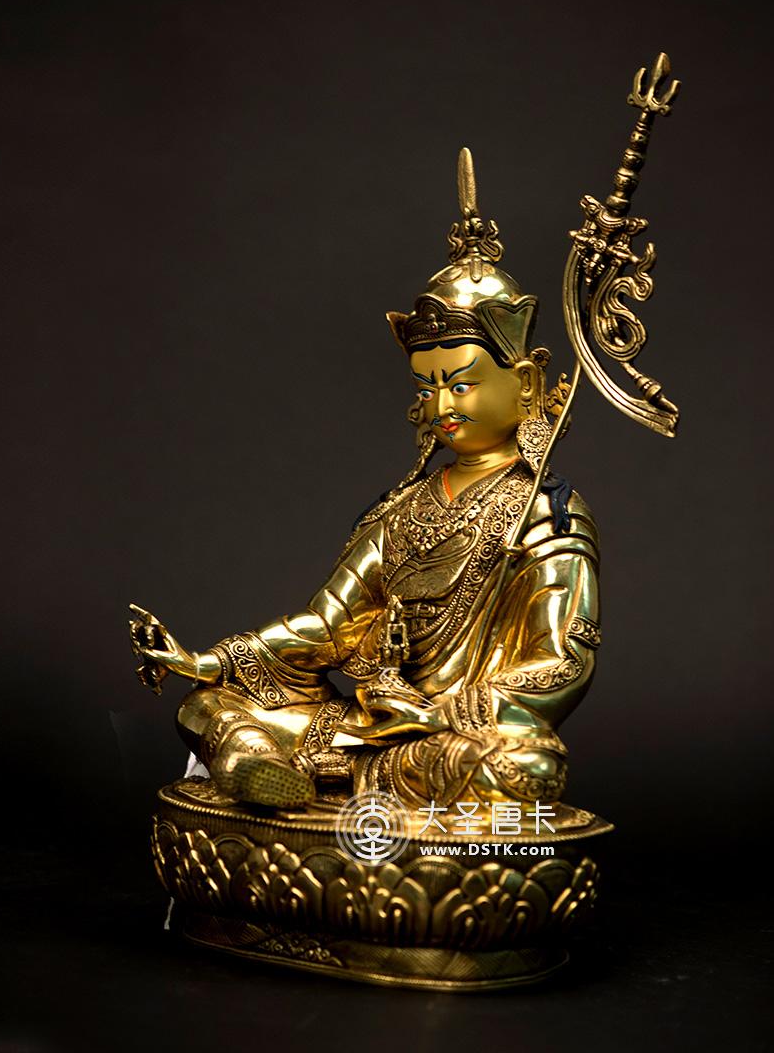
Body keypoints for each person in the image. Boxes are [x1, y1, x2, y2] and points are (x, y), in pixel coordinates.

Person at [130, 149, 600, 813]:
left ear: (524, 382)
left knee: (525, 764)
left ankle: (324, 777)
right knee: (206, 704)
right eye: (427, 387)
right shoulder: (401, 509)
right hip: (367, 722)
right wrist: (210, 662)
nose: (442, 405)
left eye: (462, 383)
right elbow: (327, 626)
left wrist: (438, 714)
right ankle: (257, 762)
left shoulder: (548, 513)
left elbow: (563, 660)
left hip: (451, 732)